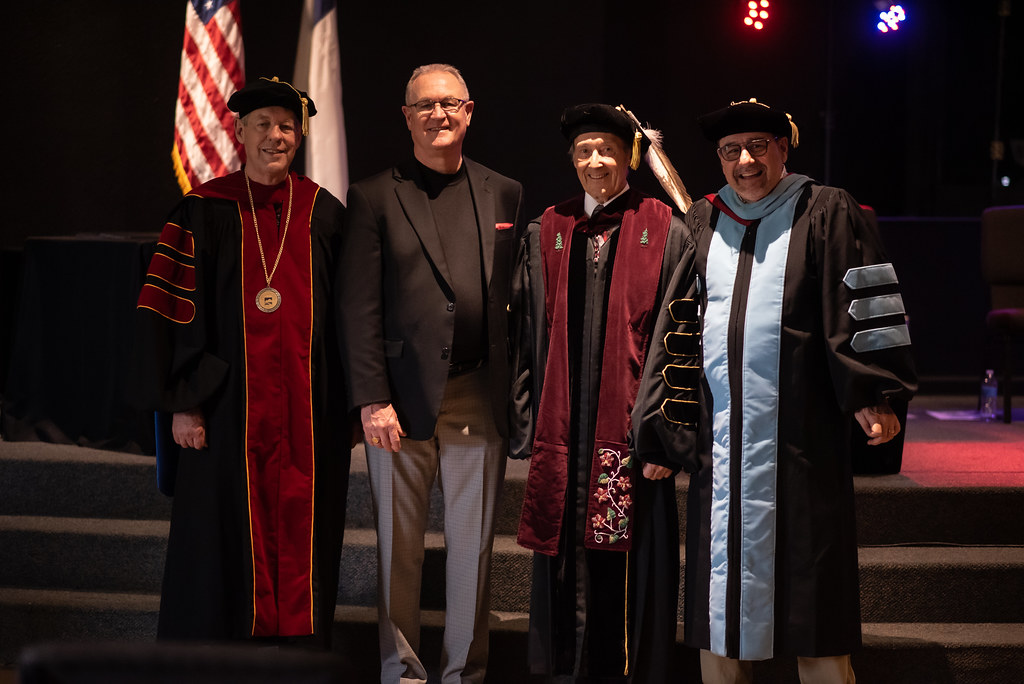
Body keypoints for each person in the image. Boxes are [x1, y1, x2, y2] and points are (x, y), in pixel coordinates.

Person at [631, 98, 918, 683]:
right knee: (721, 603)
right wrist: (663, 434)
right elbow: (678, 327)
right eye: (731, 150)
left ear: (784, 148)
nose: (745, 161)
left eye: (758, 146)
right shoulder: (703, 221)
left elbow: (859, 302)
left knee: (813, 599)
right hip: (722, 446)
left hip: (802, 442)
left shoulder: (825, 208)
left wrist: (871, 393)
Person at [131, 77, 349, 648]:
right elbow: (169, 312)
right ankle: (214, 659)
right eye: (263, 125)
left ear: (298, 135)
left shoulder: (324, 214)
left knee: (306, 533)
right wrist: (185, 404)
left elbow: (351, 318)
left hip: (304, 415)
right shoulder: (202, 211)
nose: (275, 136)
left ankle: (296, 655)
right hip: (225, 413)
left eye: (286, 126)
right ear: (238, 131)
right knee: (217, 539)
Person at [336, 63, 524, 684]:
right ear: (406, 116)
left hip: (477, 394)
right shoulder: (371, 196)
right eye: (425, 106)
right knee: (399, 551)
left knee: (473, 551)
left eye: (450, 105)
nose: (439, 115)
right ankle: (403, 675)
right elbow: (357, 307)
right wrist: (370, 399)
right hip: (399, 404)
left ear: (469, 112)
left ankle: (464, 674)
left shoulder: (505, 192)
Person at [511, 103, 691, 683]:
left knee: (630, 574)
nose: (595, 161)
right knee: (564, 567)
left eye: (608, 150)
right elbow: (524, 338)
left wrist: (666, 437)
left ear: (630, 157)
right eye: (585, 150)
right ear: (571, 159)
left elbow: (683, 337)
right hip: (567, 440)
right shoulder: (549, 229)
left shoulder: (664, 228)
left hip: (633, 442)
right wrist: (526, 421)